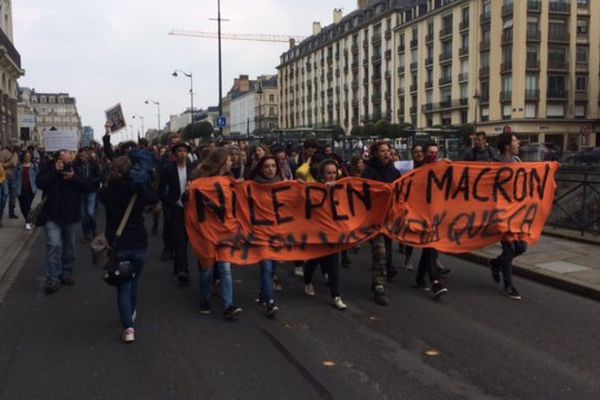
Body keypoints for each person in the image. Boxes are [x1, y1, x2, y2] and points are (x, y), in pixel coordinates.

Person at [99, 156, 158, 343]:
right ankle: (131, 312)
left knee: (123, 286)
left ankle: (128, 328)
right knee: (134, 282)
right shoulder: (137, 190)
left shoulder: (108, 191)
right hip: (138, 242)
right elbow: (154, 200)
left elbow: (101, 197)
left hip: (118, 244)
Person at [193, 148, 242, 319]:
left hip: (225, 231)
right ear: (222, 163)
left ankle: (228, 305)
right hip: (207, 231)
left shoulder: (229, 181)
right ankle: (204, 298)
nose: (232, 162)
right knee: (207, 268)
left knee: (225, 268)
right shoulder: (200, 183)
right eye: (229, 160)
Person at [36, 150, 92, 294]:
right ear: (56, 159)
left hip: (70, 215)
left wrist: (73, 177)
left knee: (69, 247)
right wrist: (55, 171)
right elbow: (40, 183)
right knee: (54, 246)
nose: (65, 163)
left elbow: (87, 186)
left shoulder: (76, 169)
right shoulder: (49, 167)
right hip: (52, 214)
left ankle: (65, 272)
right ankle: (52, 278)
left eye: (67, 160)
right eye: (62, 160)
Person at [303, 159, 347, 310]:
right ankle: (307, 281)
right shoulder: (315, 189)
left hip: (333, 233)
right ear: (322, 174)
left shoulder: (341, 188)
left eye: (334, 173)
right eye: (328, 173)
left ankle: (336, 295)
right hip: (318, 233)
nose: (331, 176)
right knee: (314, 260)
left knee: (334, 264)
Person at [361, 141, 401, 305]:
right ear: (375, 153)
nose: (386, 153)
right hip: (374, 220)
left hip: (389, 218)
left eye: (388, 151)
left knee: (387, 250)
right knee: (380, 251)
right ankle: (379, 286)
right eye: (382, 151)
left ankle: (379, 277)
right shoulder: (369, 172)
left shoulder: (394, 172)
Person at [489, 133, 526, 300]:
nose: (518, 143)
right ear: (506, 146)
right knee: (509, 248)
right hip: (501, 213)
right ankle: (508, 286)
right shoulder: (496, 164)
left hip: (516, 213)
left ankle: (496, 263)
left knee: (521, 248)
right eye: (515, 140)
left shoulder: (518, 162)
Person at [249, 155, 282, 318]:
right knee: (267, 268)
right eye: (267, 166)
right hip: (260, 232)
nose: (270, 169)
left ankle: (263, 294)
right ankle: (270, 301)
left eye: (273, 166)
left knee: (272, 268)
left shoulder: (283, 185)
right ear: (261, 168)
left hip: (277, 232)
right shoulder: (253, 186)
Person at [414, 143, 448, 300]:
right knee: (431, 248)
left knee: (428, 250)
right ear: (425, 153)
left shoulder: (442, 168)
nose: (433, 155)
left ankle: (420, 278)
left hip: (436, 214)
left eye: (436, 152)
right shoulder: (419, 170)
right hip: (423, 215)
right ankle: (435, 282)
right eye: (430, 152)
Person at [159, 142, 193, 283]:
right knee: (180, 240)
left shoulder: (194, 169)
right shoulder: (168, 169)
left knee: (187, 239)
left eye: (184, 151)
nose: (182, 154)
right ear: (175, 154)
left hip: (191, 209)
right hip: (175, 208)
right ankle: (183, 270)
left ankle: (178, 265)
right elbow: (161, 190)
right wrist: (169, 202)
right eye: (179, 151)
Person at [76, 148, 102, 242]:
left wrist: (91, 181)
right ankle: (86, 234)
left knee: (90, 213)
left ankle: (94, 231)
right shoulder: (77, 165)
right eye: (80, 155)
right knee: (83, 216)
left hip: (91, 191)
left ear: (87, 155)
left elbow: (99, 176)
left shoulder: (93, 164)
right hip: (81, 192)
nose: (82, 157)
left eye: (83, 155)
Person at [15, 152, 39, 230]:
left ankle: (28, 222)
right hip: (20, 189)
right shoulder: (19, 166)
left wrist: (36, 186)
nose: (27, 158)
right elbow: (15, 176)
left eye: (29, 156)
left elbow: (38, 176)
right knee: (22, 206)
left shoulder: (34, 166)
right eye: (26, 156)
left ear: (31, 157)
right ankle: (28, 219)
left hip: (30, 189)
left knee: (27, 205)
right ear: (23, 157)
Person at [0, 144, 19, 219]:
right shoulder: (3, 152)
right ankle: (0, 215)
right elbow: (0, 164)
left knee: (13, 196)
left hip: (14, 177)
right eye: (14, 142)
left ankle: (12, 212)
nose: (16, 144)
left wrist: (16, 164)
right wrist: (9, 164)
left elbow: (16, 163)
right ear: (10, 143)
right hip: (5, 178)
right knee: (4, 197)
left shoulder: (15, 153)